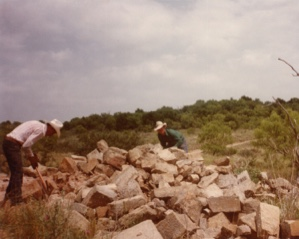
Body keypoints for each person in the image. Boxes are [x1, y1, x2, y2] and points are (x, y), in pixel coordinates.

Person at [1, 119, 63, 206]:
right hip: (12, 144)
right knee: (18, 172)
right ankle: (16, 200)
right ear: (51, 128)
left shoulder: (38, 125)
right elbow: (26, 145)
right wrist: (31, 157)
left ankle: (8, 197)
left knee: (16, 171)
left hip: (9, 143)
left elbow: (26, 144)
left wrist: (32, 157)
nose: (51, 135)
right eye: (53, 132)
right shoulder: (41, 130)